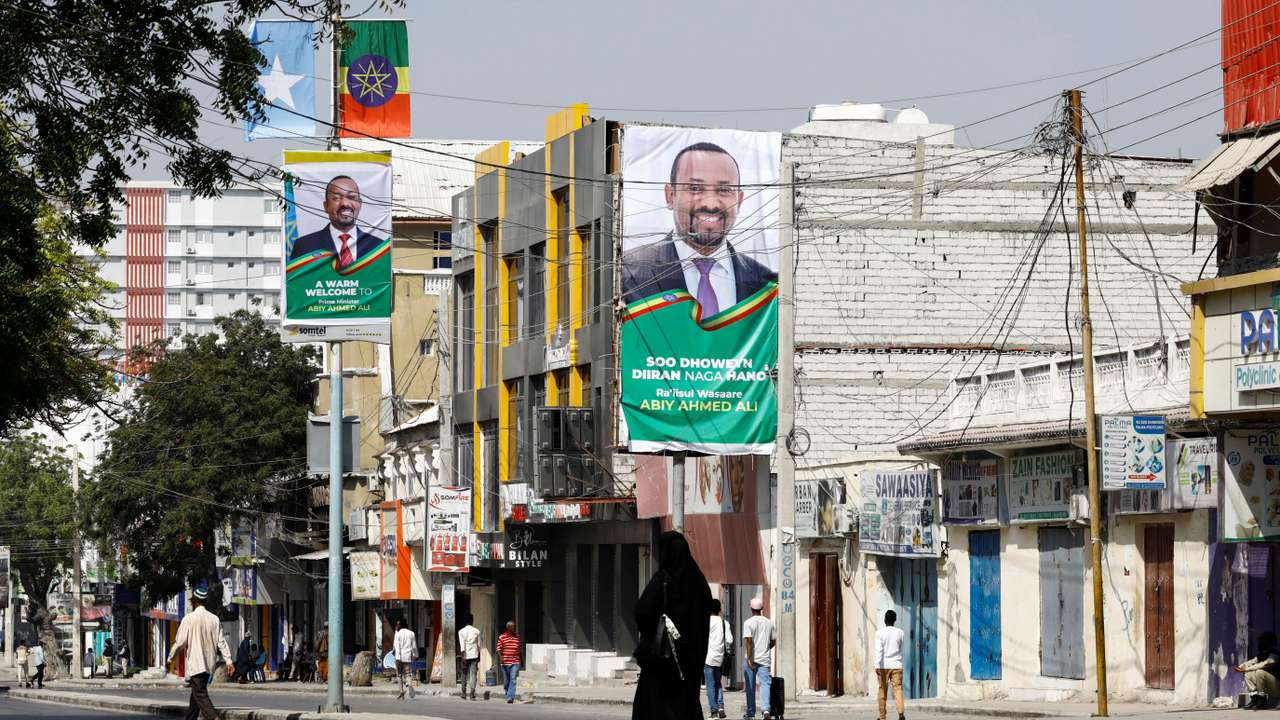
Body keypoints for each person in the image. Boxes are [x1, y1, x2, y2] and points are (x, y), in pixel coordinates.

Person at [621, 142, 777, 310]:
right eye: (695, 188)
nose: (711, 204)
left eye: (724, 189)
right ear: (670, 196)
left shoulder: (767, 284)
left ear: (739, 200)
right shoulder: (627, 272)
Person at [632, 530, 712, 720]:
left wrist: (652, 634)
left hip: (662, 665)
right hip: (690, 666)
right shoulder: (700, 585)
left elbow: (642, 612)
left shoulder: (664, 580)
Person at [166, 585, 234, 720]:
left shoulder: (189, 619)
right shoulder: (214, 619)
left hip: (196, 664)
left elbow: (180, 642)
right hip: (209, 665)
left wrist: (170, 659)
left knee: (200, 694)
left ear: (194, 601)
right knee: (196, 696)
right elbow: (221, 642)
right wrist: (229, 661)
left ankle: (214, 718)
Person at [288, 176, 384, 265]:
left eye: (351, 197)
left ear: (360, 203)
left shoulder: (377, 247)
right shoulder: (305, 246)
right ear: (326, 206)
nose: (345, 203)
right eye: (336, 198)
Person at [742, 597, 776, 720]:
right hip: (765, 659)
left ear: (751, 609)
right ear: (761, 609)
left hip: (751, 659)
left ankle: (751, 713)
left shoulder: (748, 622)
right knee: (765, 685)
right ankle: (766, 710)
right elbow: (773, 641)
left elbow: (749, 641)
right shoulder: (769, 622)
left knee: (750, 687)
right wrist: (765, 648)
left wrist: (750, 659)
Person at [1235, 631, 1280, 709]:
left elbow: (1265, 664)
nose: (1260, 643)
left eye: (1262, 640)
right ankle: (1255, 698)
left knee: (1260, 672)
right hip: (1269, 687)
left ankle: (1262, 700)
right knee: (1248, 674)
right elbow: (1252, 661)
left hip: (1277, 687)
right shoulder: (1262, 654)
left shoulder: (1275, 654)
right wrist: (1241, 667)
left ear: (1269, 642)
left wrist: (1246, 668)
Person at [876, 610, 907, 720]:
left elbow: (879, 651)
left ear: (885, 620)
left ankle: (882, 717)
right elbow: (901, 650)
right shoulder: (900, 632)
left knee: (882, 691)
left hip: (883, 666)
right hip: (897, 665)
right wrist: (899, 661)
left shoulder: (879, 633)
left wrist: (877, 665)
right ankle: (901, 714)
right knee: (898, 690)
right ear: (895, 620)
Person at [704, 598, 732, 719]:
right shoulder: (724, 623)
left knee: (710, 685)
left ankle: (714, 711)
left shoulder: (706, 622)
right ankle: (721, 706)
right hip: (720, 658)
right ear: (720, 609)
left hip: (708, 658)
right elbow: (730, 640)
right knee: (718, 683)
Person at [497, 621, 522, 704]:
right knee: (506, 682)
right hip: (505, 663)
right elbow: (499, 650)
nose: (514, 628)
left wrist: (521, 661)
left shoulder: (517, 637)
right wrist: (501, 658)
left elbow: (519, 650)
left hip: (515, 662)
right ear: (508, 628)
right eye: (512, 627)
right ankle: (507, 692)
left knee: (513, 679)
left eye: (514, 627)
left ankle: (510, 697)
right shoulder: (502, 637)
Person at [393, 619, 418, 700]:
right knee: (408, 674)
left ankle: (401, 692)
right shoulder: (411, 633)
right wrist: (415, 655)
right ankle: (409, 684)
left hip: (399, 657)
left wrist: (397, 656)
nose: (396, 626)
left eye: (397, 625)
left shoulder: (398, 634)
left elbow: (396, 646)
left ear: (400, 625)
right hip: (407, 657)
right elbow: (414, 646)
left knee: (399, 675)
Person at [457, 616, 481, 700]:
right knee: (473, 674)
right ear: (472, 621)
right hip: (474, 655)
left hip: (465, 656)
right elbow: (479, 645)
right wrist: (479, 655)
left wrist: (463, 656)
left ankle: (463, 693)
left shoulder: (461, 631)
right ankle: (472, 693)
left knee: (464, 674)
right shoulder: (477, 631)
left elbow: (462, 644)